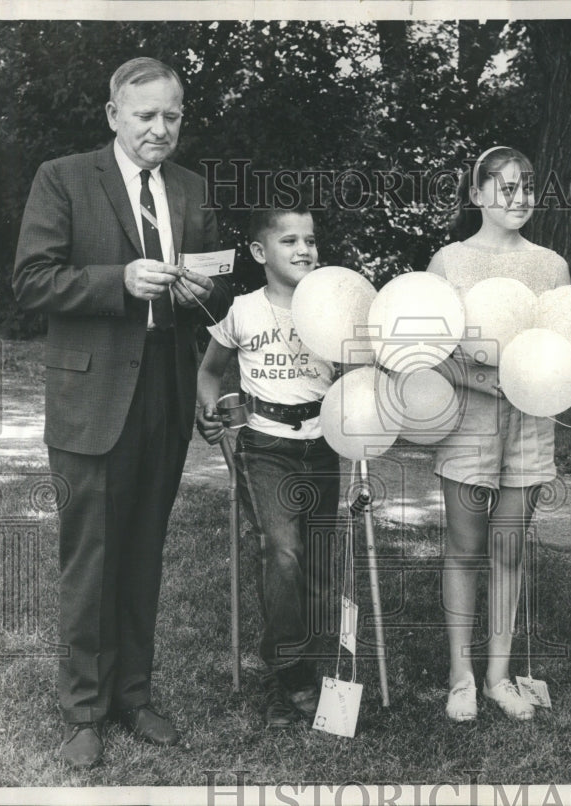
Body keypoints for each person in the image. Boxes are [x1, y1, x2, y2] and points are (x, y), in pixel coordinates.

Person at [13, 57, 231, 768]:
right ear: (114, 116)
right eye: (145, 116)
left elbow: (219, 299)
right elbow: (32, 280)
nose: (159, 129)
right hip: (90, 400)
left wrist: (205, 291)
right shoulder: (64, 177)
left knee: (142, 554)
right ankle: (83, 711)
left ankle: (133, 697)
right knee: (90, 559)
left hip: (164, 399)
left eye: (171, 116)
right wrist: (122, 281)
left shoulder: (195, 189)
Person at [427, 146, 571, 722]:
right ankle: (460, 676)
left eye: (527, 186)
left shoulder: (551, 266)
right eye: (504, 187)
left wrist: (538, 380)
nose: (518, 197)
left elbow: (563, 350)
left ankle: (498, 675)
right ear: (476, 194)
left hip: (529, 423)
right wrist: (482, 378)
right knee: (464, 551)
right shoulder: (450, 262)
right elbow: (426, 349)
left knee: (508, 551)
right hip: (468, 419)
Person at [195, 203, 339, 729]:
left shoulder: (333, 308)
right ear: (259, 252)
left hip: (324, 444)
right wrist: (207, 408)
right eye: (290, 241)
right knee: (282, 552)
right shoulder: (243, 309)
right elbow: (210, 373)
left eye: (311, 240)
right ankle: (290, 677)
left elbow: (355, 375)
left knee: (319, 568)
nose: (305, 249)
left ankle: (308, 661)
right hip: (266, 446)